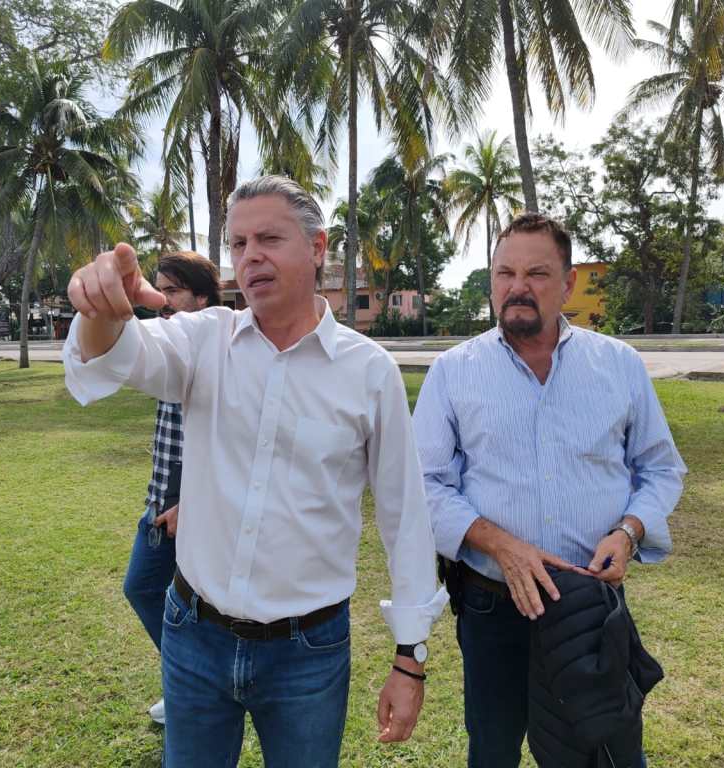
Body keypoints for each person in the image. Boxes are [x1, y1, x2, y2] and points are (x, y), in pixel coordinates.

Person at [63, 175, 446, 768]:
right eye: (238, 244)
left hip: (308, 651)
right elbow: (112, 357)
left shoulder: (368, 372)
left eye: (269, 238)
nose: (250, 257)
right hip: (193, 632)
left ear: (318, 249)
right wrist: (99, 307)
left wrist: (409, 657)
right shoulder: (203, 340)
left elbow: (405, 517)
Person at [412, 212, 686, 767]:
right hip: (493, 605)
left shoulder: (619, 365)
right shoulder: (453, 371)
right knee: (492, 749)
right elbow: (425, 484)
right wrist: (501, 545)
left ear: (567, 283)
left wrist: (629, 531)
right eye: (504, 273)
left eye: (536, 273)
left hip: (590, 606)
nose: (517, 287)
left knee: (606, 748)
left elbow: (660, 468)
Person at [121, 251, 221, 725]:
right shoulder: (169, 345)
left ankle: (198, 688)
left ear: (202, 297)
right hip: (161, 499)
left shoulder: (223, 351)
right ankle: (188, 681)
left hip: (196, 508)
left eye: (173, 291)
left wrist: (193, 502)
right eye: (158, 289)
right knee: (142, 587)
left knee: (196, 607)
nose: (162, 300)